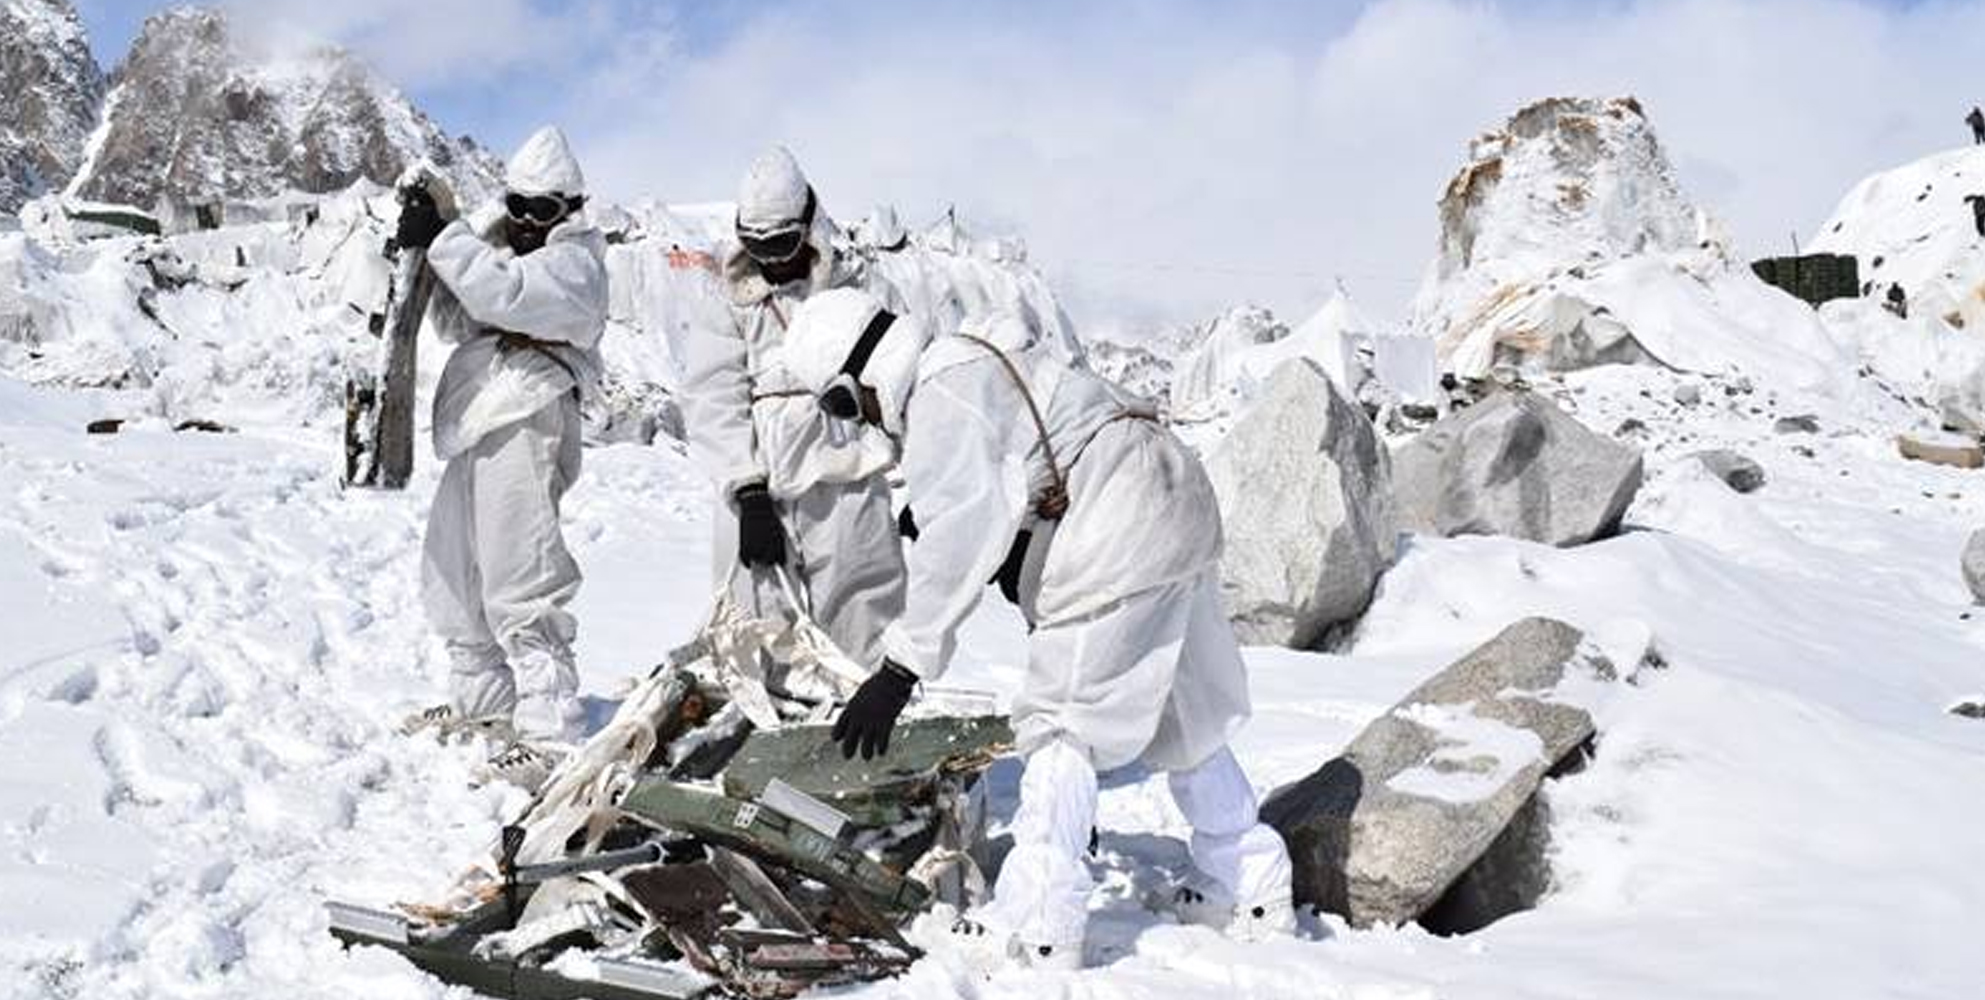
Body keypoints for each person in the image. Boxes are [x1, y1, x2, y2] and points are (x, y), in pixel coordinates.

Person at [784, 288, 1295, 970]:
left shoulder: (940, 393)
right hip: (1175, 499)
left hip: (1119, 522)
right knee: (1185, 709)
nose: (862, 422)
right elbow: (1018, 466)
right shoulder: (973, 356)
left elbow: (961, 536)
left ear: (857, 383)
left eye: (844, 407)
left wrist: (899, 670)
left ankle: (1038, 924)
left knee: (1060, 725)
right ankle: (1247, 883)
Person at [396, 126, 609, 786]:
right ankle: (484, 703)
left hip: (531, 409)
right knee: (453, 564)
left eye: (541, 209)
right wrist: (424, 252)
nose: (525, 221)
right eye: (517, 205)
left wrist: (446, 236)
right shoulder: (500, 254)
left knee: (521, 566)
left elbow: (504, 295)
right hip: (481, 415)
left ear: (568, 210)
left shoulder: (575, 266)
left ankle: (550, 727)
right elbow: (460, 318)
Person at [675, 147, 906, 682]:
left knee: (862, 603)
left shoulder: (861, 289)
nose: (772, 261)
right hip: (762, 483)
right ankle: (774, 709)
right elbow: (714, 396)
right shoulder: (727, 302)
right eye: (757, 247)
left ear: (809, 229)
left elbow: (900, 378)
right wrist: (747, 488)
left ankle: (867, 707)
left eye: (781, 244)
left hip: (847, 467)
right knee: (758, 614)